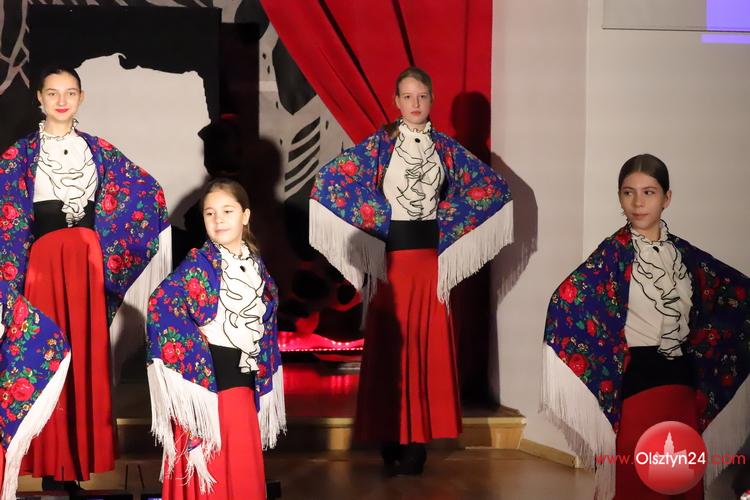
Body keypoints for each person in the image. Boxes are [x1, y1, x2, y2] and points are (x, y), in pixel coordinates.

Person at [309, 67, 513, 474]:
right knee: (392, 348)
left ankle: (417, 439)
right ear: (396, 101)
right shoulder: (381, 145)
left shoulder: (447, 150)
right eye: (407, 96)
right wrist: (376, 226)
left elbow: (493, 189)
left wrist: (447, 224)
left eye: (422, 96)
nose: (415, 104)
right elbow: (330, 181)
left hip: (430, 264)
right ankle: (389, 434)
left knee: (425, 348)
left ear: (432, 99)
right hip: (393, 265)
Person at [0, 66, 170, 491]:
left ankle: (73, 467)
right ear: (39, 98)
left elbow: (145, 192)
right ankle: (49, 466)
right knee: (46, 355)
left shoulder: (98, 150)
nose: (62, 101)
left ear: (81, 97)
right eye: (52, 92)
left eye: (70, 92)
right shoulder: (20, 155)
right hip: (44, 266)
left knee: (83, 359)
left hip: (87, 264)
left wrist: (109, 247)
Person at [542, 154, 749, 499]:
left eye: (649, 192)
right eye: (629, 192)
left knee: (680, 478)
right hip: (637, 386)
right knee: (636, 479)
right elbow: (567, 299)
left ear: (667, 198)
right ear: (619, 197)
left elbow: (738, 296)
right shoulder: (612, 256)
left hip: (682, 387)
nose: (638, 202)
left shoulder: (687, 256)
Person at [146, 178, 285, 499]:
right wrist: (197, 362)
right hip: (211, 392)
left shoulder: (257, 267)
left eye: (227, 211)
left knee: (240, 474)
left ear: (245, 215)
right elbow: (159, 305)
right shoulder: (199, 264)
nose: (218, 219)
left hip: (242, 388)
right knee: (215, 477)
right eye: (210, 213)